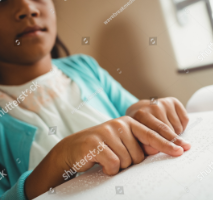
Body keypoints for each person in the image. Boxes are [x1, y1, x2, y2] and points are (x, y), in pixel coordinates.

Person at [0, 0, 191, 199]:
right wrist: (59, 159)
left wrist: (146, 112)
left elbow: (134, 113)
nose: (28, 9)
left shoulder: (85, 67)